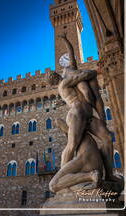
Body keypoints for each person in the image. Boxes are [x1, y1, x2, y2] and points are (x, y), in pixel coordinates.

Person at [47, 33, 117, 182]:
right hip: (77, 113)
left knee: (107, 139)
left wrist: (66, 41)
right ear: (54, 79)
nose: (54, 74)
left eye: (53, 74)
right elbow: (83, 74)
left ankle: (109, 175)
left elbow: (72, 58)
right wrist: (97, 71)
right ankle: (64, 177)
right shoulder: (63, 84)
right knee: (72, 144)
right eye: (53, 75)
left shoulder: (68, 74)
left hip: (88, 115)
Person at [49, 118, 103, 193]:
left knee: (53, 185)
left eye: (60, 127)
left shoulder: (73, 132)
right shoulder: (85, 134)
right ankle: (89, 177)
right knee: (66, 186)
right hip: (95, 164)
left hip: (85, 161)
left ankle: (90, 175)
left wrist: (62, 172)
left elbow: (69, 150)